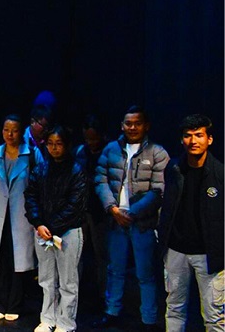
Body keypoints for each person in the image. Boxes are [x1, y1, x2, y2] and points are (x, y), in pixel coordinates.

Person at [92, 106, 168, 331]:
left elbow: (159, 190)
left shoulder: (157, 152)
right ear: (122, 126)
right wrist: (112, 209)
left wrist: (132, 213)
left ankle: (149, 319)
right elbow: (100, 179)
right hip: (116, 220)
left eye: (137, 123)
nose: (132, 127)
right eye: (128, 123)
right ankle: (112, 312)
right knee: (114, 270)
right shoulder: (111, 149)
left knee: (145, 273)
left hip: (142, 223)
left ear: (146, 126)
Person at [158, 114, 224, 332]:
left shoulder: (220, 174)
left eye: (199, 135)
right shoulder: (173, 169)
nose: (193, 140)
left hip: (209, 254)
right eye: (188, 136)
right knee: (174, 308)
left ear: (209, 139)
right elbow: (167, 209)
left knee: (214, 316)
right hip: (176, 251)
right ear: (181, 139)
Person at [24, 126, 88, 332]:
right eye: (50, 144)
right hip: (43, 231)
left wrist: (50, 226)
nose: (54, 148)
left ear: (67, 145)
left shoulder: (77, 171)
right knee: (46, 278)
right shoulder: (40, 169)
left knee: (68, 281)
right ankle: (47, 318)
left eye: (58, 144)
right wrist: (38, 223)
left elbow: (75, 205)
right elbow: (30, 196)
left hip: (68, 231)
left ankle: (66, 323)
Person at [0, 114, 40, 322]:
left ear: (21, 132)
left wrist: (38, 217)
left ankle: (15, 304)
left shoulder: (31, 154)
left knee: (18, 261)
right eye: (6, 130)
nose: (10, 134)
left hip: (21, 216)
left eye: (14, 130)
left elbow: (39, 186)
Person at [74, 114, 110, 304]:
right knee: (76, 253)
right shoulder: (80, 152)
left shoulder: (109, 152)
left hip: (101, 212)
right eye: (87, 138)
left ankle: (104, 295)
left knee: (101, 254)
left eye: (94, 138)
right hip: (82, 209)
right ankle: (76, 293)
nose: (91, 142)